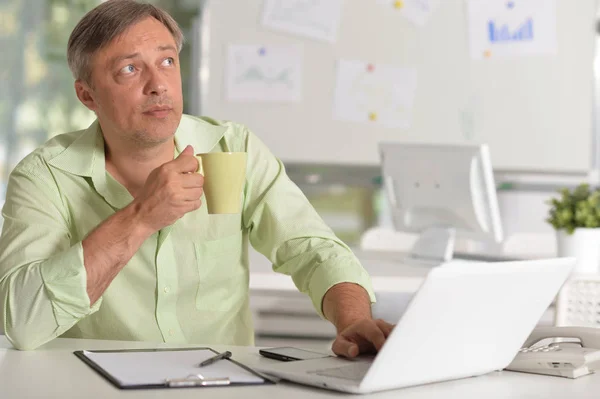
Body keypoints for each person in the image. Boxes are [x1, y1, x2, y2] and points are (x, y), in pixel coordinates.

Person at [0, 0, 393, 354]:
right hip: (94, 388)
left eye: (167, 61)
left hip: (222, 384)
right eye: (130, 69)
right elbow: (22, 323)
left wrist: (353, 318)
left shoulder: (231, 147)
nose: (158, 84)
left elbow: (311, 248)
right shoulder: (45, 176)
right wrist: (140, 217)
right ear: (87, 96)